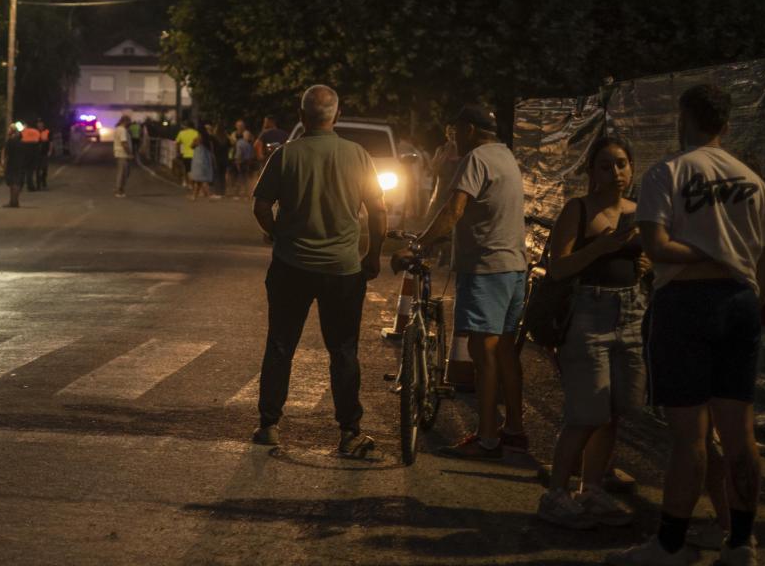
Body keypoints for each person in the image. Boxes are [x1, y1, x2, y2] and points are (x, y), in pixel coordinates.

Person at [609, 85, 765, 566]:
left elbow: (657, 246)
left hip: (684, 304)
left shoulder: (668, 172)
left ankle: (670, 544)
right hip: (741, 303)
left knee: (690, 436)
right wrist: (749, 294)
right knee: (740, 431)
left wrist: (708, 251)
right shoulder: (753, 180)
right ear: (726, 125)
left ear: (684, 117)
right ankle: (743, 543)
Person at [250, 85, 386, 456]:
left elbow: (262, 207)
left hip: (291, 267)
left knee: (280, 345)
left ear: (301, 116)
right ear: (336, 116)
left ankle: (270, 425)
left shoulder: (286, 155)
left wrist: (279, 235)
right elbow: (377, 210)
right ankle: (349, 431)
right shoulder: (357, 156)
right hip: (342, 270)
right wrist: (373, 254)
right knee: (343, 350)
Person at [536, 136, 647, 530]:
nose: (615, 173)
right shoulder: (579, 210)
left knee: (614, 410)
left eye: (621, 164)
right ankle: (555, 495)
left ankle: (592, 488)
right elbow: (559, 267)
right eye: (605, 165)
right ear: (591, 173)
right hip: (588, 314)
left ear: (632, 168)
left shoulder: (639, 213)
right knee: (586, 412)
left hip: (631, 313)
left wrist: (643, 264)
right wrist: (603, 247)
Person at [408, 104, 529, 461]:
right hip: (514, 269)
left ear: (470, 130)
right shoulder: (506, 156)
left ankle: (488, 436)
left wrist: (423, 241)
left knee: (483, 354)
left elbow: (454, 209)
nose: (454, 139)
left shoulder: (476, 160)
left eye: (455, 132)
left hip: (486, 269)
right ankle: (515, 431)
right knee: (506, 353)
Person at [3, 125, 28, 208]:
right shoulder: (21, 142)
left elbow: (7, 154)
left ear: (12, 131)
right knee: (16, 182)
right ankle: (15, 201)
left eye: (9, 129)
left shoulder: (10, 141)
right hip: (19, 164)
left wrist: (4, 164)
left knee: (12, 183)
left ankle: (13, 202)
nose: (7, 131)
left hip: (11, 163)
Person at [189, 123, 215, 200]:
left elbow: (191, 146)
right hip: (206, 160)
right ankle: (196, 196)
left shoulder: (197, 139)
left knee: (199, 180)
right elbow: (212, 150)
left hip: (198, 160)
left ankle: (205, 196)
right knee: (203, 179)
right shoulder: (209, 139)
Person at [112, 114, 134, 197]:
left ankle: (120, 189)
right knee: (123, 173)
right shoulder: (122, 130)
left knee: (125, 172)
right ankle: (119, 190)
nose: (130, 124)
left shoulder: (118, 129)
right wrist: (129, 153)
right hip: (123, 154)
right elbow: (124, 143)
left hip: (120, 153)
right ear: (125, 121)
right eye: (129, 122)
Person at [175, 121, 200, 188]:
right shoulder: (196, 132)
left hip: (186, 154)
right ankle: (193, 183)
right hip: (196, 154)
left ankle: (189, 183)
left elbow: (177, 143)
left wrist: (178, 152)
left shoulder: (181, 133)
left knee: (187, 170)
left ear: (186, 126)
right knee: (194, 170)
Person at [20, 121, 43, 191]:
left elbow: (20, 140)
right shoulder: (36, 131)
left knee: (24, 169)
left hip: (25, 150)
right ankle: (32, 186)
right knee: (31, 169)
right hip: (34, 150)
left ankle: (21, 185)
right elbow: (40, 141)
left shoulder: (23, 131)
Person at [235, 130, 257, 196]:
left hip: (247, 162)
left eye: (249, 136)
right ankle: (241, 191)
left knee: (245, 177)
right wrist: (238, 162)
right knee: (242, 176)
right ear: (244, 136)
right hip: (242, 162)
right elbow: (239, 153)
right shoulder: (241, 143)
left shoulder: (249, 143)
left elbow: (252, 154)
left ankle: (244, 191)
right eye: (247, 135)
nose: (248, 137)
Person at [33, 120, 52, 190]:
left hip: (45, 153)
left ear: (43, 125)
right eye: (38, 124)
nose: (40, 126)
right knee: (37, 169)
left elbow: (50, 142)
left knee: (44, 168)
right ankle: (38, 184)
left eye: (41, 124)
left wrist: (50, 151)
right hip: (37, 153)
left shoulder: (47, 132)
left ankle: (43, 179)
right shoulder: (34, 132)